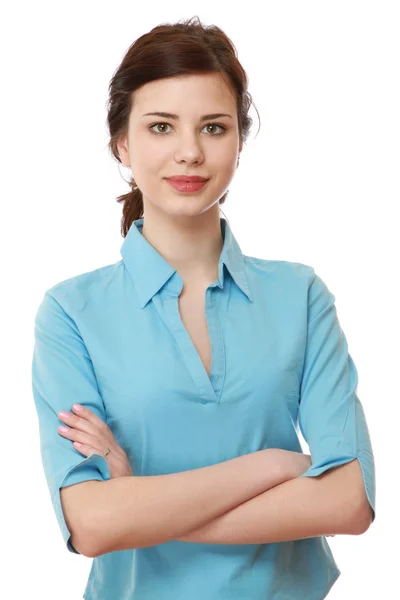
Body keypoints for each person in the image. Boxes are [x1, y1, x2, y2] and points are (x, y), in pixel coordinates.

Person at [31, 15, 376, 600]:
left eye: (213, 128)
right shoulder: (70, 312)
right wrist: (273, 465)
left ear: (239, 141)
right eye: (161, 126)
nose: (188, 152)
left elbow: (350, 500)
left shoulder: (301, 296)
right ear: (123, 142)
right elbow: (90, 524)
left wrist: (137, 496)